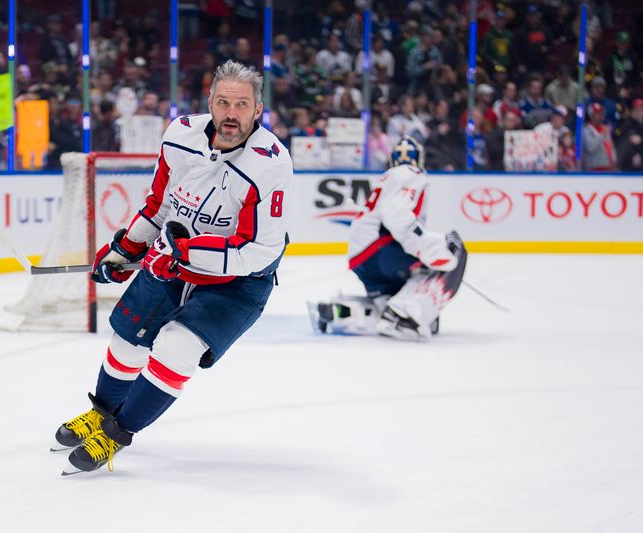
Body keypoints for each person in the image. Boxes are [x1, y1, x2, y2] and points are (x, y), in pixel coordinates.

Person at [54, 60, 293, 475]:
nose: (231, 113)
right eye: (223, 102)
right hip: (172, 262)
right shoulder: (180, 135)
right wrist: (125, 249)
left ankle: (117, 432)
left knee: (177, 347)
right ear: (210, 103)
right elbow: (160, 206)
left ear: (257, 109)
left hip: (236, 282)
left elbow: (260, 250)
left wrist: (185, 253)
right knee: (127, 337)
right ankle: (101, 410)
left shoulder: (270, 164)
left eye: (241, 104)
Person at [310, 136, 466, 342]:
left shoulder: (388, 178)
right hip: (380, 251)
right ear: (418, 158)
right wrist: (428, 248)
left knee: (387, 302)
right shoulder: (411, 174)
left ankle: (343, 312)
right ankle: (403, 314)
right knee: (454, 253)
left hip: (362, 258)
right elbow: (396, 214)